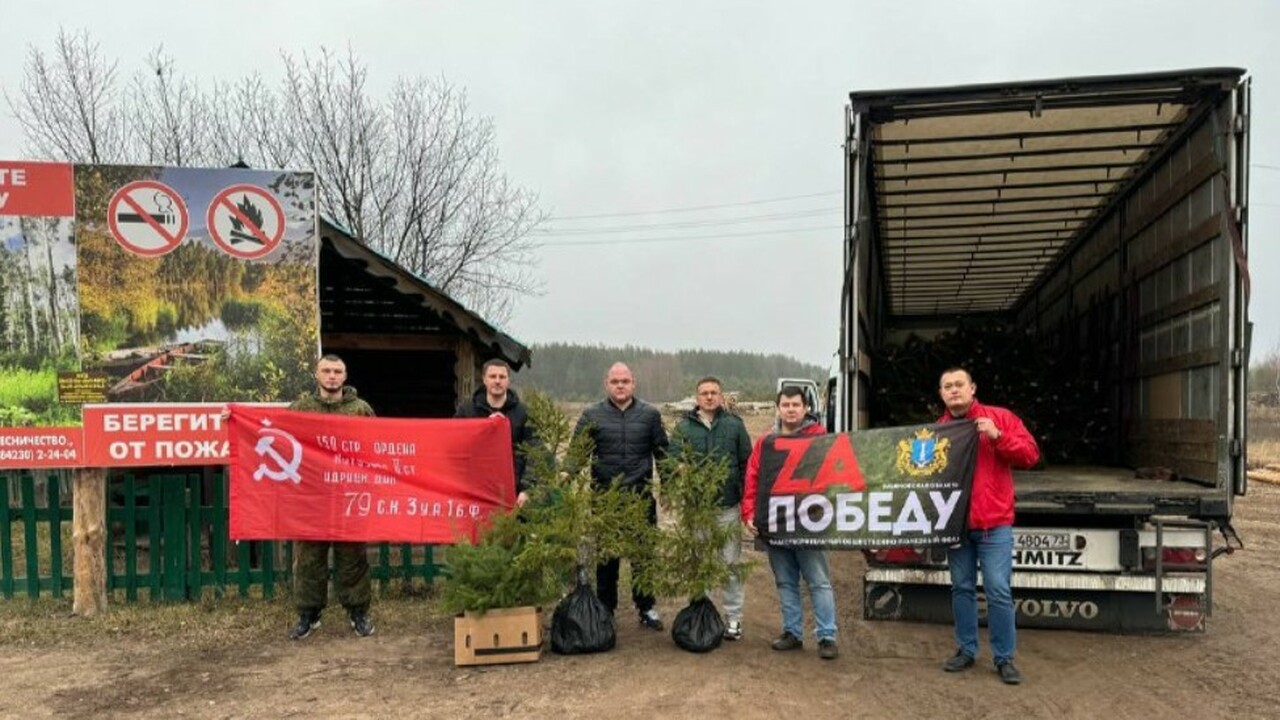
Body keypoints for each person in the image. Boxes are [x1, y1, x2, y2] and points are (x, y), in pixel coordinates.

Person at [936, 367, 1041, 685]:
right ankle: (966, 650)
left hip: (994, 523)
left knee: (997, 589)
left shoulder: (999, 418)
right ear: (941, 394)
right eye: (947, 386)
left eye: (959, 385)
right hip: (957, 526)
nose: (954, 390)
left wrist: (998, 437)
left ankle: (1004, 658)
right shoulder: (936, 431)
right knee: (962, 588)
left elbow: (1031, 455)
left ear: (972, 388)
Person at [742, 387, 839, 660]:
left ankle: (827, 636)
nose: (791, 409)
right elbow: (753, 478)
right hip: (776, 522)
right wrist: (749, 512)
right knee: (785, 581)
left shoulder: (821, 439)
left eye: (796, 404)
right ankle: (792, 632)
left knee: (818, 581)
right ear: (778, 408)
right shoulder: (766, 442)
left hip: (810, 523)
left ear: (806, 408)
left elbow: (834, 476)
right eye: (786, 404)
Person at [572, 362, 669, 630]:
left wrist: (669, 488)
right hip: (605, 501)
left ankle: (647, 607)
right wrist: (562, 479)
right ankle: (606, 610)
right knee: (606, 560)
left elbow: (663, 454)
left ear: (633, 383)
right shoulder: (592, 415)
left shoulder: (649, 415)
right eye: (615, 381)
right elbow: (576, 456)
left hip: (640, 499)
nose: (620, 386)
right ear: (607, 384)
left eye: (625, 381)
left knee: (643, 557)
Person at [288, 354, 377, 640]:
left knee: (353, 557)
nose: (331, 376)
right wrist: (235, 418)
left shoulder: (361, 410)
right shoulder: (301, 408)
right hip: (311, 498)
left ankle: (358, 612)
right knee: (309, 559)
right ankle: (308, 615)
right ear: (316, 375)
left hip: (348, 496)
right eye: (326, 371)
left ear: (345, 376)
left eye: (337, 371)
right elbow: (272, 432)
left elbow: (379, 444)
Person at [669, 376, 753, 640]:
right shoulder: (683, 428)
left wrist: (743, 500)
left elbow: (747, 465)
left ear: (721, 396)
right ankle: (700, 611)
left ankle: (734, 618)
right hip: (697, 509)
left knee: (729, 564)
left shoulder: (734, 426)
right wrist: (679, 470)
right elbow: (670, 460)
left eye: (713, 392)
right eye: (704, 393)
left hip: (727, 507)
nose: (708, 397)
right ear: (697, 398)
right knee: (699, 563)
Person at [455, 358, 539, 507]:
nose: (497, 381)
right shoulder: (466, 411)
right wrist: (485, 427)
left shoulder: (524, 413)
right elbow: (454, 444)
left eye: (502, 377)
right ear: (484, 380)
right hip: (475, 491)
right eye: (493, 376)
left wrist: (527, 489)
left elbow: (534, 452)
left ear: (508, 381)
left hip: (513, 492)